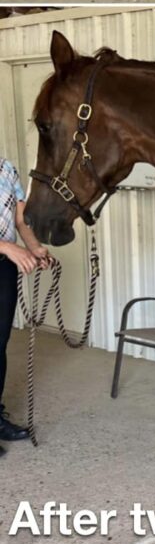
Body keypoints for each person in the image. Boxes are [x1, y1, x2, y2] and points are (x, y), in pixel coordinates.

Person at [0, 156, 49, 457]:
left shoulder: (6, 169)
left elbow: (20, 221)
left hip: (3, 268)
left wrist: (34, 248)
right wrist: (7, 246)